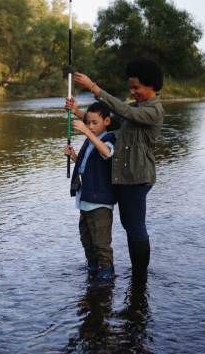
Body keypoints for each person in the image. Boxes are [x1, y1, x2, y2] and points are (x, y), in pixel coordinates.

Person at [68, 58, 165, 283]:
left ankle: (140, 278)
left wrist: (94, 88)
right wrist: (77, 113)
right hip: (122, 176)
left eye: (136, 87)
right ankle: (132, 275)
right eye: (130, 87)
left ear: (151, 85)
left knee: (134, 227)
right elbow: (106, 122)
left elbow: (123, 111)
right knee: (128, 225)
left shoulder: (154, 110)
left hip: (137, 177)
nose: (132, 92)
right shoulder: (135, 108)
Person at [64, 102, 117, 285]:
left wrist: (87, 132)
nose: (91, 126)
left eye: (95, 123)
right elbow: (87, 167)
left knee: (101, 243)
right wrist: (74, 157)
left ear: (107, 121)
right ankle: (93, 266)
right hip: (85, 200)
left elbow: (107, 153)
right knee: (87, 239)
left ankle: (107, 273)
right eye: (88, 123)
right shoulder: (89, 141)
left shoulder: (109, 139)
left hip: (100, 203)